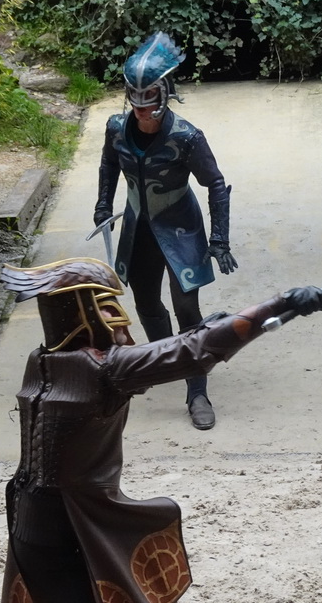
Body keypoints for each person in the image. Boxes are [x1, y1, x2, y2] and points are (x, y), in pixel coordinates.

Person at [0, 256, 322, 603]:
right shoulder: (106, 368)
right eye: (106, 306)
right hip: (80, 525)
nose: (117, 317)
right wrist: (281, 303)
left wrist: (204, 328)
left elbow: (164, 354)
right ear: (84, 313)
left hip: (34, 525)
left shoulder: (42, 359)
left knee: (153, 528)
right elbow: (191, 354)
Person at [93, 31, 237, 431]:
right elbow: (108, 164)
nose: (142, 110)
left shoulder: (187, 137)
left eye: (150, 100)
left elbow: (216, 184)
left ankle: (197, 391)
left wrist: (219, 239)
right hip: (139, 227)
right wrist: (103, 203)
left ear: (164, 94)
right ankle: (164, 362)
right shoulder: (116, 129)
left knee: (186, 308)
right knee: (145, 303)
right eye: (135, 101)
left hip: (180, 227)